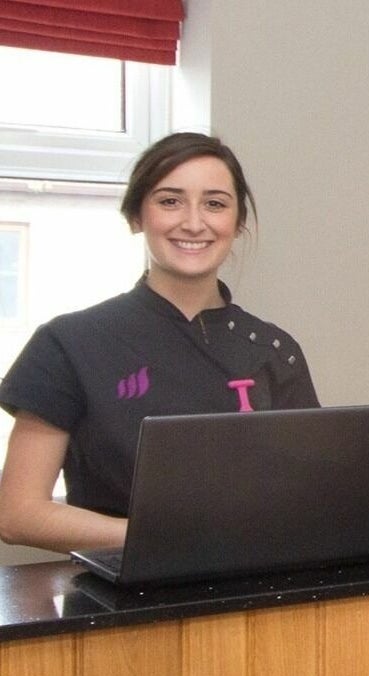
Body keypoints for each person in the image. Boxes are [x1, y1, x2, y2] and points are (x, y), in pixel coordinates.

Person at [0, 132, 319, 553]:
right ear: (136, 217)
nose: (193, 223)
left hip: (258, 582)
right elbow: (19, 513)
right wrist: (158, 539)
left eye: (215, 204)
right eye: (170, 201)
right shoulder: (68, 343)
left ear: (238, 223)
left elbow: (309, 496)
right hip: (124, 587)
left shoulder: (274, 351)